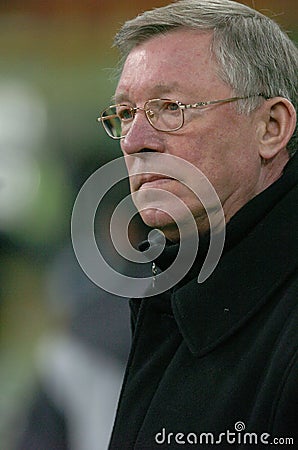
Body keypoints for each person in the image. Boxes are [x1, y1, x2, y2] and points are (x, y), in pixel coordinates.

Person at [97, 0, 298, 448]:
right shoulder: (172, 293)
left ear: (271, 126)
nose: (134, 141)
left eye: (171, 107)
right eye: (126, 113)